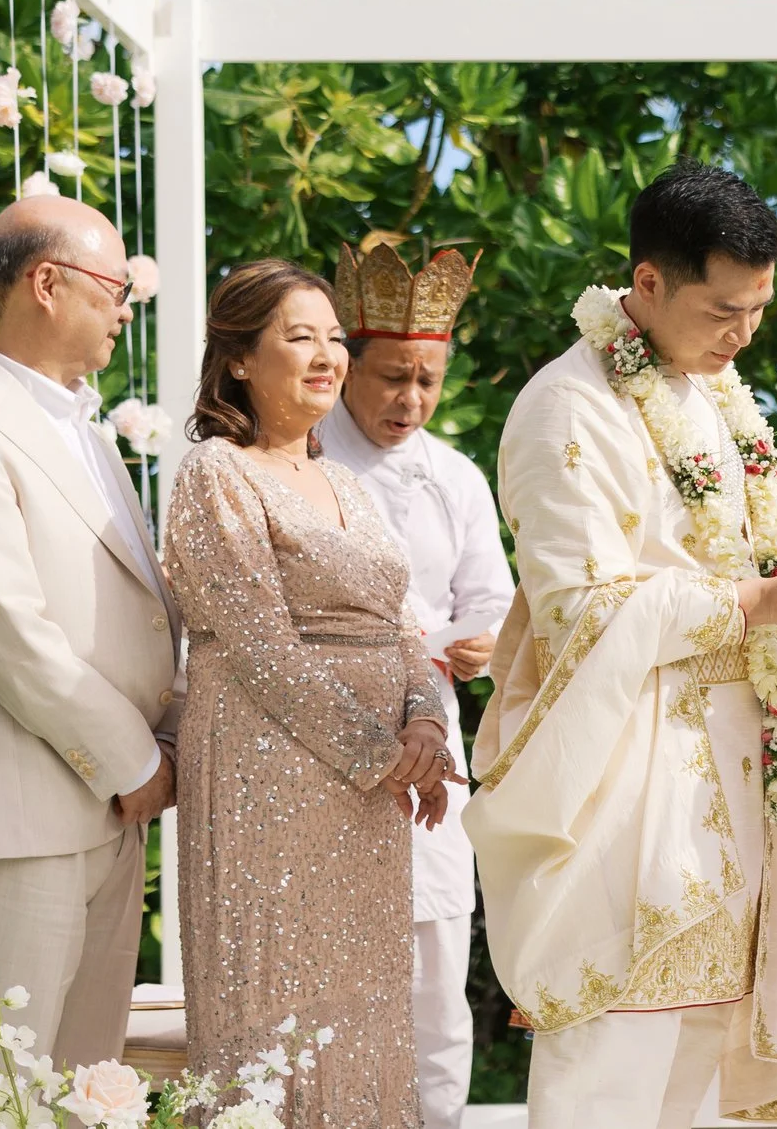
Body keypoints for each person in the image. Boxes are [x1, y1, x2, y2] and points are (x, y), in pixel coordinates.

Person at [463, 163, 777, 1129]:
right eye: (724, 309)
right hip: (627, 782)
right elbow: (579, 610)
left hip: (728, 778)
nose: (744, 333)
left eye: (760, 308)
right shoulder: (568, 406)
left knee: (696, 1060)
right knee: (613, 1060)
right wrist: (760, 599)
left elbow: (725, 554)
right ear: (646, 283)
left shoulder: (711, 394)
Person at [0, 196, 182, 1073]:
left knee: (86, 1079)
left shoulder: (87, 431)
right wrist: (137, 762)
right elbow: (13, 636)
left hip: (112, 806)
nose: (126, 307)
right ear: (45, 283)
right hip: (26, 807)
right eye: (115, 285)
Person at [161, 259, 453, 1127]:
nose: (327, 355)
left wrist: (427, 727)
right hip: (270, 788)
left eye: (334, 338)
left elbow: (401, 625)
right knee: (271, 1015)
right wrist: (382, 757)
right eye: (301, 337)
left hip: (367, 807)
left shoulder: (349, 485)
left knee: (363, 1017)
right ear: (241, 358)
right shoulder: (217, 472)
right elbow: (259, 648)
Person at [317, 241, 515, 1129]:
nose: (411, 399)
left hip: (431, 735)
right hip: (319, 735)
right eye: (394, 376)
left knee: (436, 965)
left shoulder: (455, 477)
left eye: (428, 380)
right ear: (348, 364)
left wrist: (483, 645)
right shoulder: (301, 461)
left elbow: (500, 605)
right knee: (326, 966)